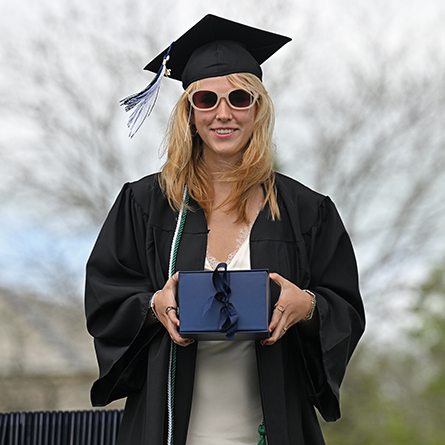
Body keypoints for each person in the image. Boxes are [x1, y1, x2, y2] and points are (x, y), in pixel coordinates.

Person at [85, 14, 365, 445]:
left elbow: (344, 305)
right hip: (168, 427)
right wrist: (153, 305)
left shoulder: (306, 210)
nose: (223, 114)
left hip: (273, 424)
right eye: (206, 100)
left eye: (238, 97)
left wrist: (307, 306)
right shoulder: (145, 205)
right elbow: (106, 297)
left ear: (258, 108)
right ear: (189, 112)